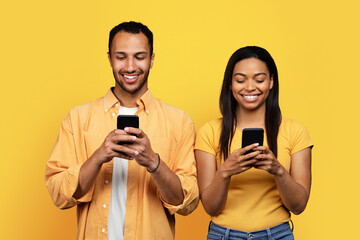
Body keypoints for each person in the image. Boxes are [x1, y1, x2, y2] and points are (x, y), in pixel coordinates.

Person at [45, 21, 198, 240]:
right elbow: (59, 194)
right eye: (121, 56)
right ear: (109, 59)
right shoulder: (77, 118)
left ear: (152, 59)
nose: (129, 67)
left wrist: (154, 162)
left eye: (139, 56)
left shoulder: (179, 121)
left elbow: (187, 203)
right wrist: (99, 156)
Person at [195, 46, 313, 240]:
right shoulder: (209, 132)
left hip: (277, 234)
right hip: (223, 235)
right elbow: (210, 207)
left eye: (259, 79)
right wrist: (226, 171)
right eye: (240, 80)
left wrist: (278, 170)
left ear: (271, 81)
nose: (250, 87)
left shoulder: (295, 131)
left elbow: (298, 206)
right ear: (230, 84)